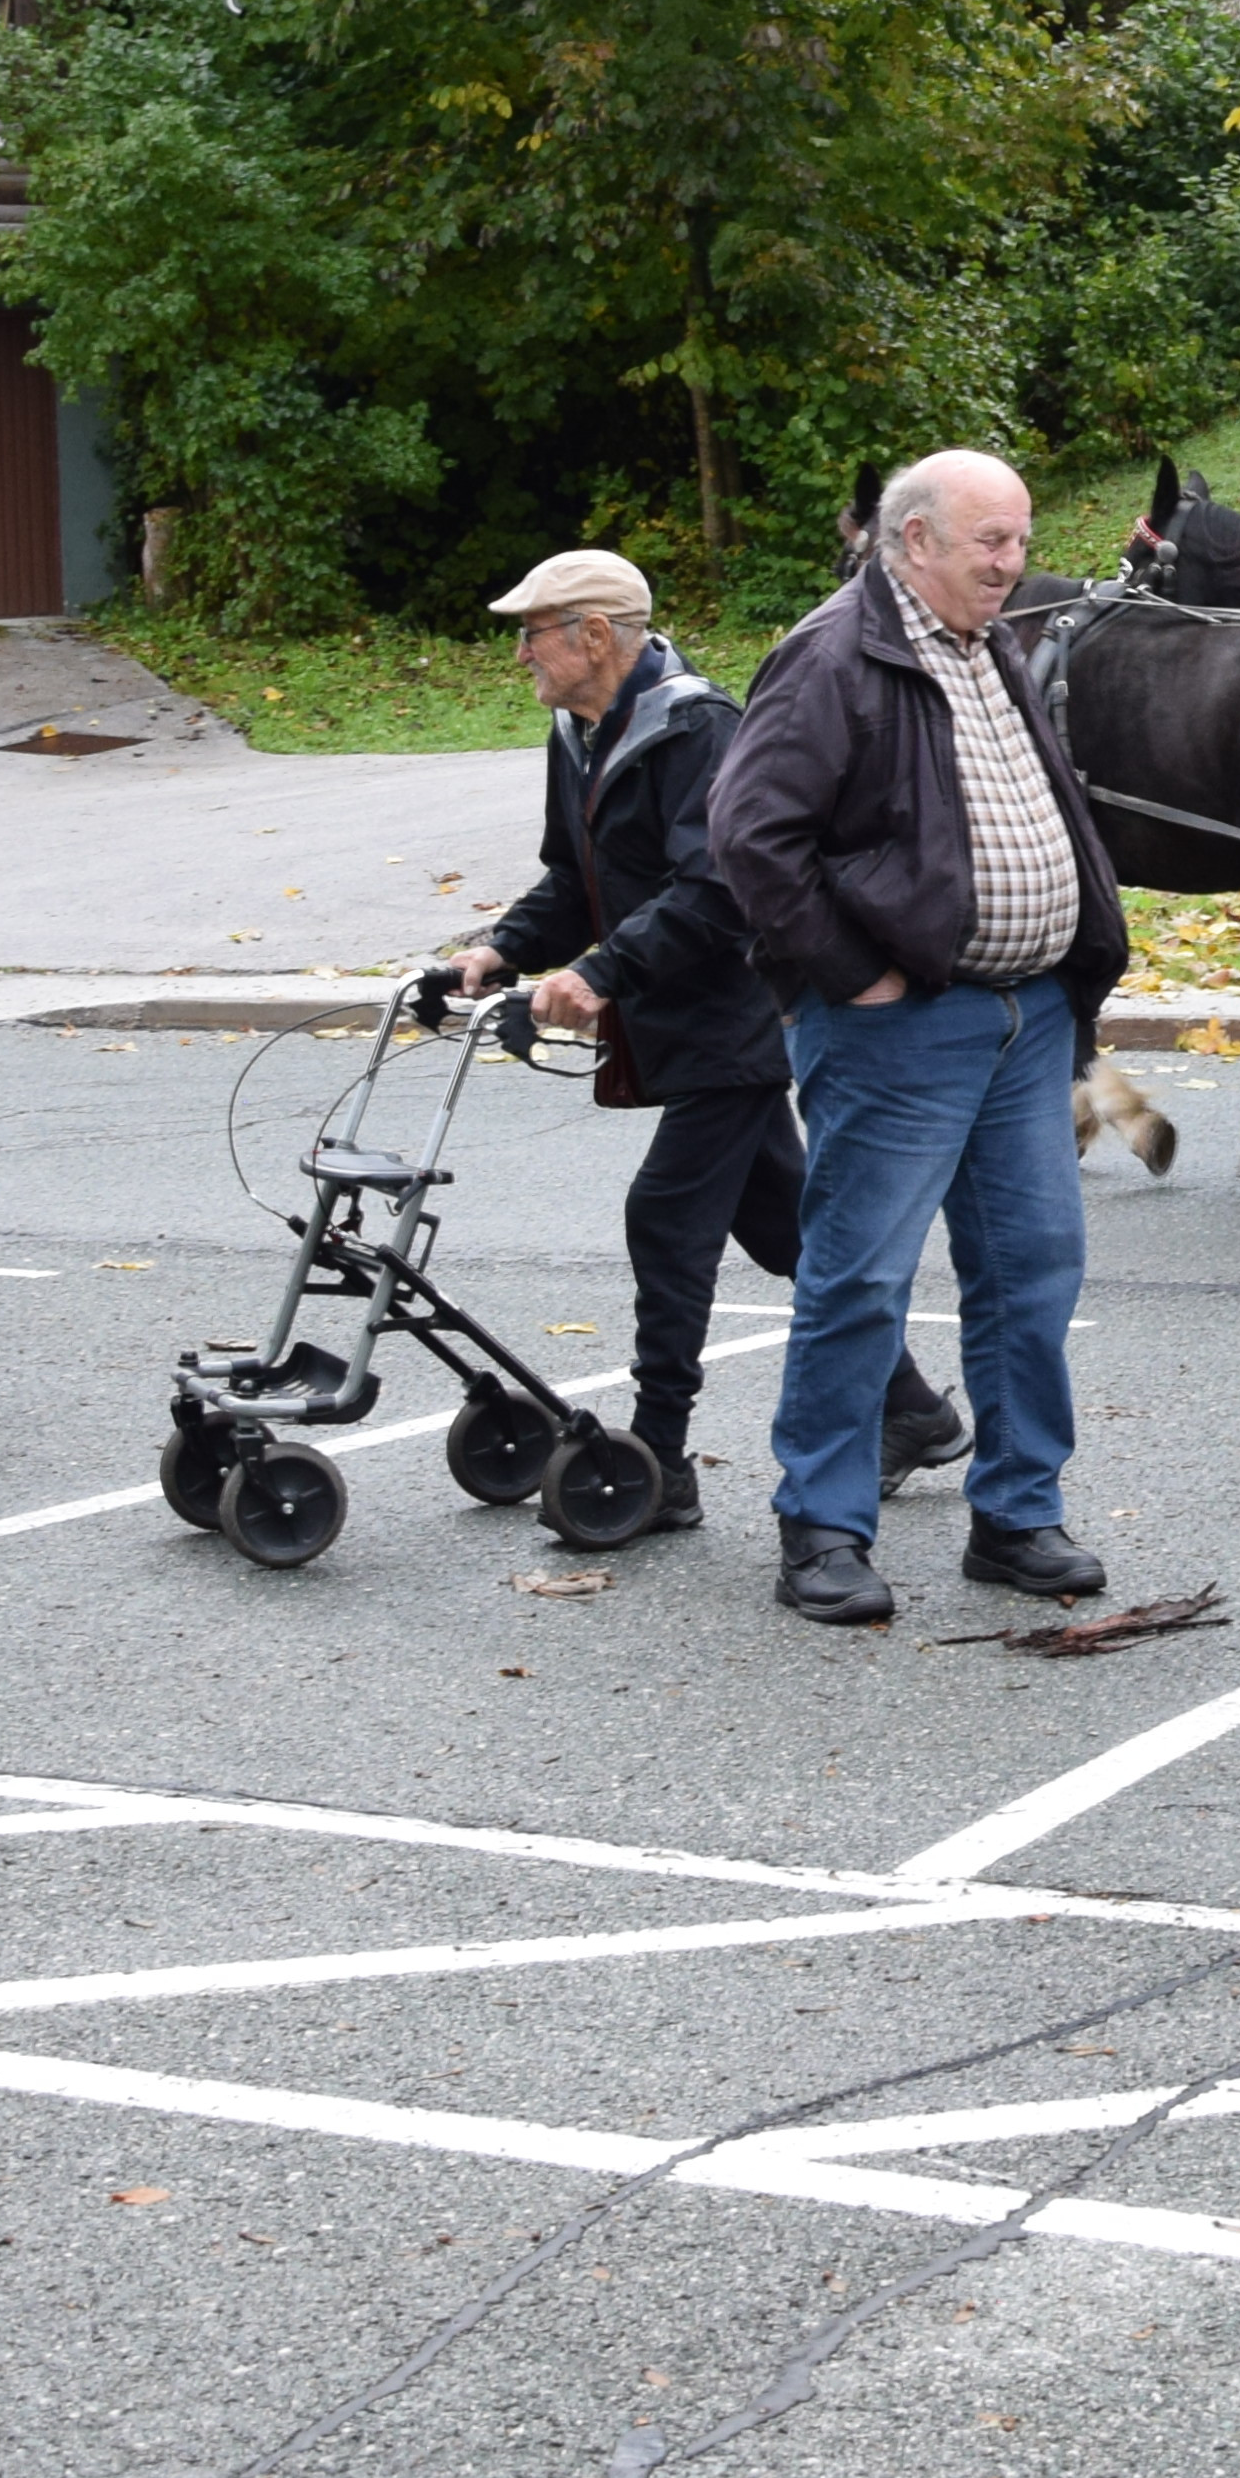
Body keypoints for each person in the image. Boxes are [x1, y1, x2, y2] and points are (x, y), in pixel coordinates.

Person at [706, 448, 1131, 1629]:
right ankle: (826, 1530)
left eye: (1019, 537)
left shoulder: (985, 637)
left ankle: (1017, 1514)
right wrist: (857, 974)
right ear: (912, 543)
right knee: (860, 1279)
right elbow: (749, 836)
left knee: (1033, 1267)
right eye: (988, 541)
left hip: (1023, 1017)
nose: (1014, 561)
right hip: (901, 1031)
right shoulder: (833, 654)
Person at [448, 550, 957, 1536]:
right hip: (671, 1024)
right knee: (786, 1232)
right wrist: (500, 951)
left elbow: (719, 890)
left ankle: (659, 1460)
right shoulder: (581, 731)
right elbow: (574, 880)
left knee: (666, 1219)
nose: (519, 653)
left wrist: (602, 974)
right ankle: (916, 1411)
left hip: (732, 1022)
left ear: (595, 636)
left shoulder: (697, 726)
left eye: (533, 632)